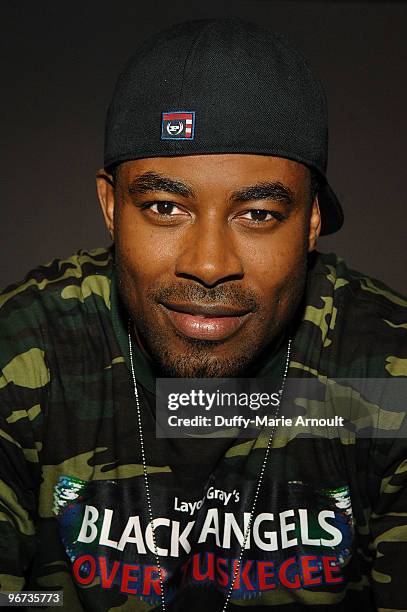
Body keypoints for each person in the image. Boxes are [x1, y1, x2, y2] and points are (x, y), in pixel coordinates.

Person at [0, 17, 406, 612]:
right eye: (166, 207)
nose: (210, 265)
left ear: (312, 220)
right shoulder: (23, 352)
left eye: (259, 214)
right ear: (112, 207)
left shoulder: (389, 371)